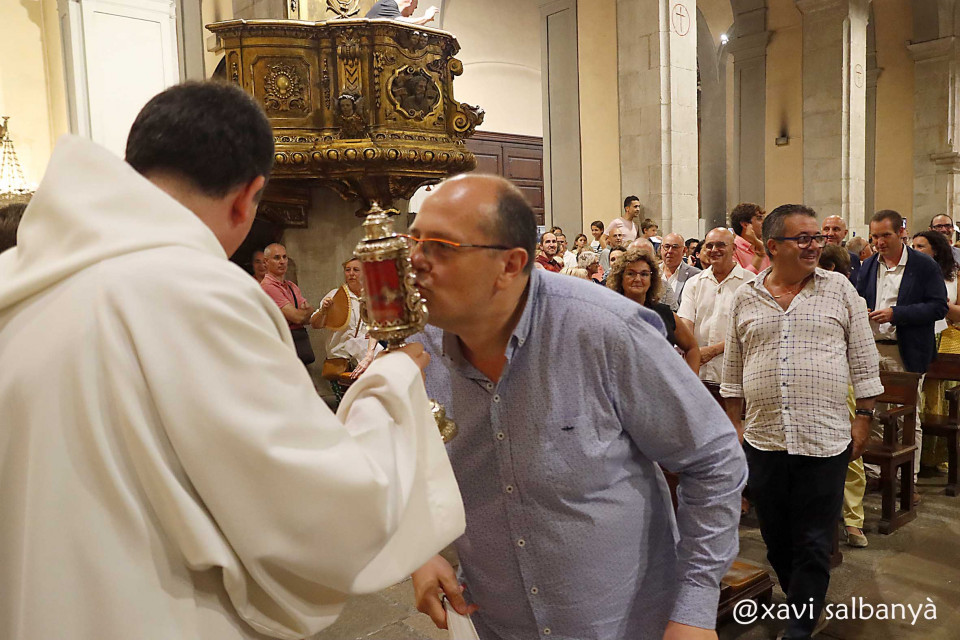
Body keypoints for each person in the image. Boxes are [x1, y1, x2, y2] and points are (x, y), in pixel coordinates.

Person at [0, 82, 464, 640]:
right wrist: (391, 382)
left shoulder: (21, 286)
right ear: (247, 198)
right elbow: (320, 514)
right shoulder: (195, 293)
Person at [408, 173, 747, 640]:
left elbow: (714, 458)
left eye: (439, 247)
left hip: (619, 621)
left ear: (510, 264)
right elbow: (410, 459)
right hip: (497, 617)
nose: (414, 261)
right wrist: (420, 548)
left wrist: (693, 607)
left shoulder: (606, 330)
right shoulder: (420, 344)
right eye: (413, 241)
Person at [722, 204, 883, 639]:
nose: (815, 246)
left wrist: (864, 418)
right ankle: (803, 601)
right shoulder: (746, 296)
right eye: (804, 239)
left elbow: (864, 362)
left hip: (824, 438)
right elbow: (733, 371)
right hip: (764, 438)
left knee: (813, 540)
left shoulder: (840, 290)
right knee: (775, 537)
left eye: (818, 238)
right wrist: (735, 426)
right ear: (773, 246)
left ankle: (800, 624)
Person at [817, 245, 869, 549]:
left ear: (831, 271)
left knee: (850, 455)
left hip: (842, 385)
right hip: (810, 390)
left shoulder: (853, 300)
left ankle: (853, 519)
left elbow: (861, 356)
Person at [911, 230, 960, 477]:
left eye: (921, 246)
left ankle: (937, 457)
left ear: (936, 250)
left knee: (938, 400)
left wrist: (939, 303)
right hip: (919, 337)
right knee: (920, 400)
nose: (915, 250)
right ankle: (920, 457)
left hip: (946, 339)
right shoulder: (912, 274)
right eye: (913, 246)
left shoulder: (954, 276)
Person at [678, 228, 754, 384]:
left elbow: (749, 331)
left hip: (735, 374)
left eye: (720, 245)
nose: (714, 250)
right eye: (709, 245)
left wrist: (713, 351)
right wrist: (692, 350)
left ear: (734, 248)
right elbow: (686, 321)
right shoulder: (694, 283)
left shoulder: (750, 283)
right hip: (698, 373)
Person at [607, 248, 701, 373]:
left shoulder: (665, 313)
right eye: (631, 273)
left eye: (644, 274)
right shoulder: (610, 314)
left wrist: (690, 382)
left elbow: (692, 348)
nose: (638, 279)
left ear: (652, 279)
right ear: (620, 277)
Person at [311, 256, 383, 398]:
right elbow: (314, 324)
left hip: (365, 359)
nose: (351, 274)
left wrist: (374, 336)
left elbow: (380, 326)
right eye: (348, 270)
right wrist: (323, 311)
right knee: (345, 402)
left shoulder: (373, 297)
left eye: (356, 270)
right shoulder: (335, 295)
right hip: (341, 359)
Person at [261, 243, 317, 365]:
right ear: (266, 262)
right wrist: (304, 313)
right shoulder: (268, 287)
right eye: (277, 258)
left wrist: (305, 314)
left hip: (297, 345)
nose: (282, 261)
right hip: (281, 346)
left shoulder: (292, 286)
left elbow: (311, 316)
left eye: (284, 257)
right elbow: (298, 317)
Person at [661, 232, 701, 303]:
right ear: (661, 248)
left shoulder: (695, 275)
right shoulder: (652, 272)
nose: (670, 251)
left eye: (675, 247)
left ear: (684, 250)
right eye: (666, 247)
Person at [821, 215, 861, 284]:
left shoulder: (854, 259)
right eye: (826, 229)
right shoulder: (815, 257)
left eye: (835, 229)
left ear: (845, 233)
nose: (830, 234)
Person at [730, 202, 768, 274]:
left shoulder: (766, 246)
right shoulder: (732, 249)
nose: (764, 222)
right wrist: (759, 256)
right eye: (759, 218)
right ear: (745, 225)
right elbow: (739, 278)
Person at [365, 0, 440, 25]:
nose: (411, 14)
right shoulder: (386, 4)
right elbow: (402, 23)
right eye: (414, 8)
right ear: (410, 1)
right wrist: (425, 18)